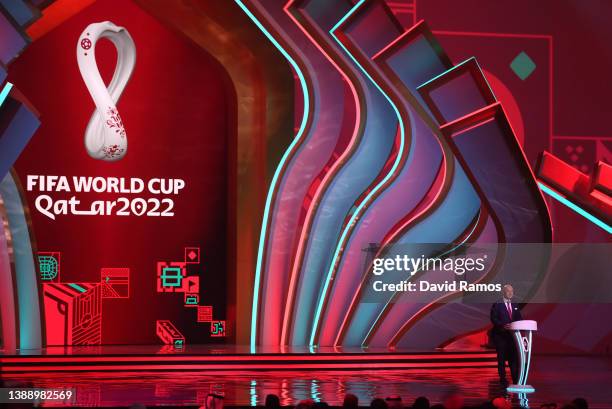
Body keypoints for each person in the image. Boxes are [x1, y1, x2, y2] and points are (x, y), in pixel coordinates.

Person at [490, 284, 522, 386]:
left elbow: (519, 318)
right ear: (503, 292)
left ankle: (515, 380)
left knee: (513, 359)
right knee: (502, 358)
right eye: (508, 291)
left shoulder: (515, 304)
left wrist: (519, 324)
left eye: (512, 291)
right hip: (501, 336)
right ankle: (503, 379)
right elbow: (494, 318)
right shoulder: (497, 304)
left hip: (512, 337)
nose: (511, 293)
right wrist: (503, 325)